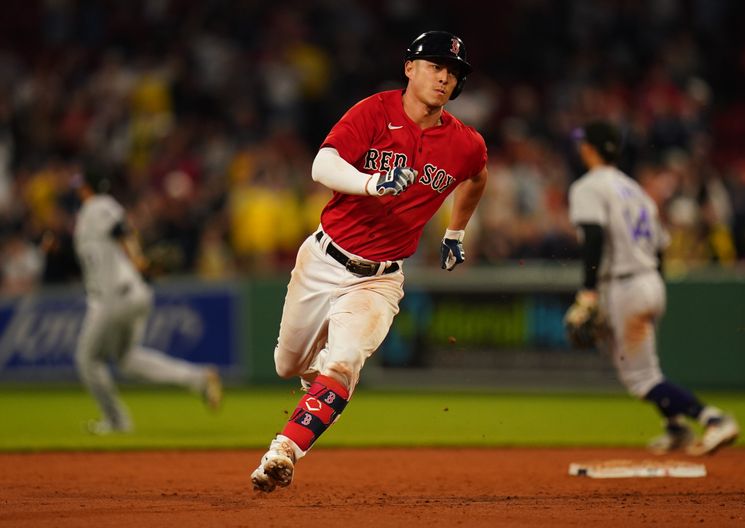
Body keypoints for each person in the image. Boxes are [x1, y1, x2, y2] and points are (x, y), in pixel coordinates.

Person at [250, 30, 488, 492]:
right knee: (286, 364)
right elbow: (322, 165)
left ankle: (284, 451)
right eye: (436, 66)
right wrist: (372, 183)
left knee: (341, 366)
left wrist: (455, 230)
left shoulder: (465, 143)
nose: (445, 78)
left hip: (379, 280)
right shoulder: (375, 111)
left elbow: (476, 178)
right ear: (409, 68)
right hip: (323, 258)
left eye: (454, 72)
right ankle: (317, 387)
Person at [564, 120, 739, 455]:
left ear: (589, 149)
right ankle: (676, 429)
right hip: (650, 280)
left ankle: (714, 419)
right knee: (648, 369)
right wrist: (650, 285)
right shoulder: (636, 189)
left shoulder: (588, 187)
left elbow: (594, 239)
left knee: (642, 380)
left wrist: (588, 293)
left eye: (582, 143)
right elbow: (660, 246)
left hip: (624, 286)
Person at [73, 169, 222, 435]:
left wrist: (138, 260)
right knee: (126, 359)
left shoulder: (99, 204)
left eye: (80, 185)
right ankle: (198, 378)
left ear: (87, 187)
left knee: (87, 359)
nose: (77, 189)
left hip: (115, 295)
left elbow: (122, 230)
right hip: (129, 294)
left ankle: (117, 422)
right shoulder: (87, 216)